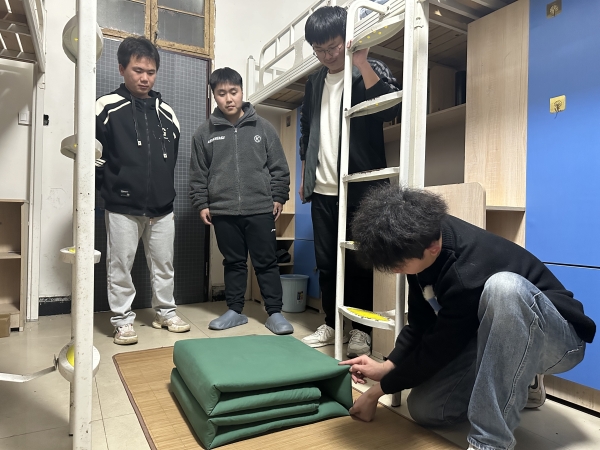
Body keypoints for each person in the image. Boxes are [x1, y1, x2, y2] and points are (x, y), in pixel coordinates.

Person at [340, 184, 596, 450]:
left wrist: (377, 391)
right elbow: (421, 325)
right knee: (427, 409)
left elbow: (438, 349)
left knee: (504, 287)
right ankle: (524, 381)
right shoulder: (419, 235)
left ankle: (490, 443)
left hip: (560, 340)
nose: (395, 271)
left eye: (399, 265)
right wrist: (388, 366)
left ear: (433, 247)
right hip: (496, 332)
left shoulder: (465, 271)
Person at [298, 6, 401, 356]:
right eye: (319, 50)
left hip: (361, 187)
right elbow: (306, 131)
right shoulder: (314, 83)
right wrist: (305, 175)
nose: (327, 56)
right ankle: (332, 323)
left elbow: (391, 109)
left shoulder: (369, 68)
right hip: (323, 188)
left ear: (346, 39)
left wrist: (361, 63)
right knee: (327, 262)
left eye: (333, 47)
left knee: (360, 261)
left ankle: (361, 330)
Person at [95, 36, 190, 345]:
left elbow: (170, 159)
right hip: (122, 206)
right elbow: (94, 158)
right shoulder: (105, 108)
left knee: (164, 265)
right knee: (119, 266)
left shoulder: (169, 114)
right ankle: (122, 320)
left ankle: (165, 312)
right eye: (138, 70)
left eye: (151, 72)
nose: (145, 78)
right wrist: (110, 190)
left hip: (162, 208)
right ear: (122, 69)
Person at [189, 67, 294, 335]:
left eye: (233, 92)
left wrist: (279, 195)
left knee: (266, 262)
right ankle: (235, 311)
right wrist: (202, 203)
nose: (228, 98)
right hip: (223, 210)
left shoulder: (264, 127)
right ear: (214, 96)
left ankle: (275, 312)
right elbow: (198, 173)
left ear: (242, 92)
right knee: (234, 262)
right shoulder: (204, 133)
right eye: (221, 93)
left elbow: (279, 167)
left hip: (260, 208)